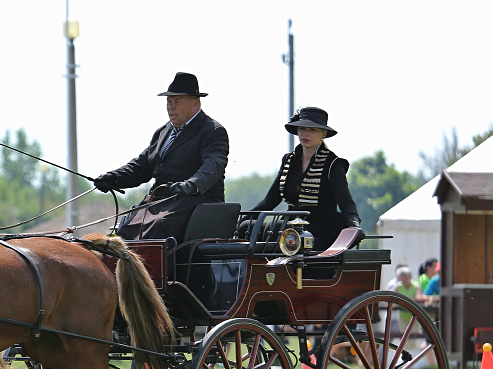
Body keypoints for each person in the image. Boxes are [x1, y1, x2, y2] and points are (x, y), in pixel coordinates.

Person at [94, 72, 229, 241]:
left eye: (177, 102)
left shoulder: (212, 130)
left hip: (196, 202)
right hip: (160, 202)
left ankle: (156, 267)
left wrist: (191, 185)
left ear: (195, 104)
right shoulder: (163, 132)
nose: (171, 107)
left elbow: (213, 166)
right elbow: (141, 166)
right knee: (126, 228)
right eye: (169, 102)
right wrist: (113, 177)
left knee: (159, 224)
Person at [251, 107, 361, 252]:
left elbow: (346, 202)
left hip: (321, 226)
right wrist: (241, 218)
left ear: (324, 133)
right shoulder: (289, 160)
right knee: (247, 227)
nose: (306, 133)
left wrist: (354, 225)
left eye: (313, 129)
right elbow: (269, 201)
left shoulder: (333, 164)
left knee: (280, 229)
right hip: (291, 222)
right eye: (302, 128)